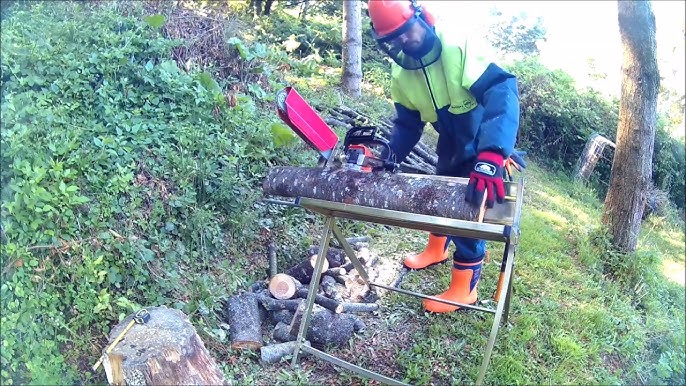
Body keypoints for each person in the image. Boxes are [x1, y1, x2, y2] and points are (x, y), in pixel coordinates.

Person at [368, 0, 521, 313]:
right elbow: (408, 125)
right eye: (393, 39)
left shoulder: (456, 47)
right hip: (449, 142)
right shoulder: (401, 74)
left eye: (406, 32)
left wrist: (492, 155)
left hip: (481, 143)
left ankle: (464, 289)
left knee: (467, 211)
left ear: (423, 18)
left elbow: (502, 90)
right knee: (438, 197)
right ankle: (436, 249)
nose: (403, 42)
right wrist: (388, 156)